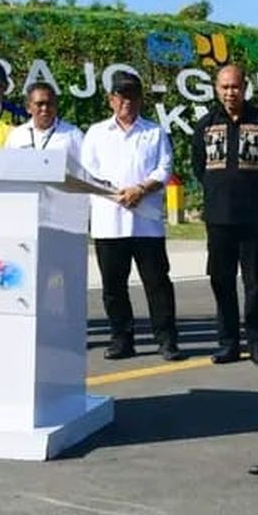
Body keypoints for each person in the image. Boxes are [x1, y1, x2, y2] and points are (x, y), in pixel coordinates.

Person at [81, 72, 185, 362]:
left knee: (158, 284)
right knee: (114, 287)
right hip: (109, 222)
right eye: (121, 96)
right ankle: (121, 339)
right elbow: (88, 173)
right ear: (111, 99)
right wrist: (118, 195)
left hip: (146, 223)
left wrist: (140, 189)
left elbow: (164, 170)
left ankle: (167, 340)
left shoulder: (154, 132)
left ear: (140, 99)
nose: (126, 101)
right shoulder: (96, 133)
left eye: (132, 96)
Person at [190, 64, 258, 367]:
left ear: (245, 88)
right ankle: (228, 343)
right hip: (218, 218)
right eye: (225, 87)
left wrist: (253, 189)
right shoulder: (205, 125)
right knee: (222, 281)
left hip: (253, 217)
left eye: (236, 87)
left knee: (255, 282)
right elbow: (198, 166)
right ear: (216, 89)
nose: (231, 92)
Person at [4, 82, 84, 155]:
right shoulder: (17, 135)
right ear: (28, 108)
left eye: (49, 103)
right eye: (39, 104)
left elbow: (85, 169)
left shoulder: (73, 135)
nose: (45, 108)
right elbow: (6, 166)